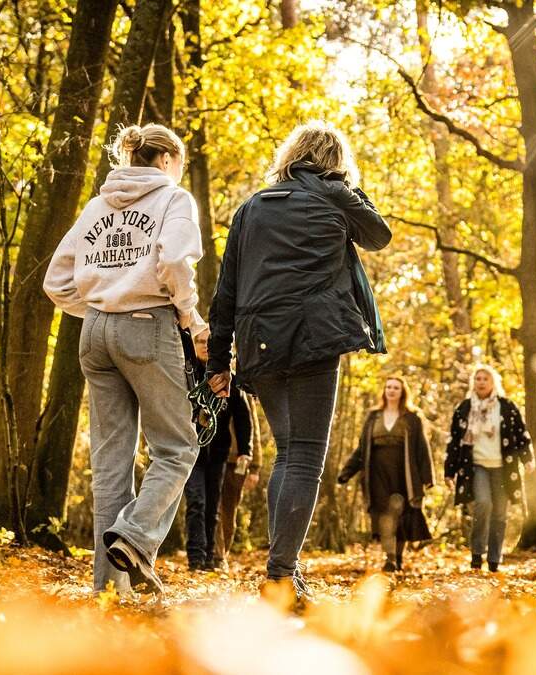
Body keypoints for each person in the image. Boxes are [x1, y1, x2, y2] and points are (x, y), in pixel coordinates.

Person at [206, 120, 392, 604]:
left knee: (289, 453)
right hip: (314, 337)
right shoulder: (337, 197)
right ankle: (281, 575)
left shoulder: (252, 208)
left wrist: (218, 360)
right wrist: (349, 187)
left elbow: (226, 290)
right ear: (336, 163)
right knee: (304, 456)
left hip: (258, 340)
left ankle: (284, 570)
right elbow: (379, 234)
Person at [43, 123, 207, 596]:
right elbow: (176, 262)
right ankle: (135, 538)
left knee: (111, 464)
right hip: (148, 325)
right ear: (168, 159)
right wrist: (190, 317)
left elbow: (56, 281)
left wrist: (100, 305)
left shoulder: (97, 205)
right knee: (178, 448)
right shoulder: (174, 199)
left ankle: (110, 591)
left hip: (94, 331)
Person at [443, 365, 534, 572]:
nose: (481, 382)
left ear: (493, 383)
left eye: (485, 379)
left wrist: (527, 459)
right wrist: (449, 472)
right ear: (473, 384)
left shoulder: (507, 407)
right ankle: (476, 555)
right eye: (478, 379)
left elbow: (522, 435)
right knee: (483, 504)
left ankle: (494, 561)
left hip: (503, 467)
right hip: (477, 467)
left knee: (500, 513)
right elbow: (454, 442)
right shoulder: (465, 409)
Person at [337, 376, 433, 572]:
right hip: (377, 474)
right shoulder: (373, 417)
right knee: (383, 515)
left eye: (396, 388)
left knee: (403, 515)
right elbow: (362, 449)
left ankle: (398, 557)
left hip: (403, 473)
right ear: (384, 391)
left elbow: (422, 449)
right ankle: (390, 558)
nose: (391, 390)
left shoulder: (412, 418)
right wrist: (347, 472)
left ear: (402, 392)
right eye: (388, 387)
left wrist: (427, 478)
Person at [182, 337, 253, 571]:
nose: (205, 345)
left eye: (210, 342)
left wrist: (245, 450)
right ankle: (195, 558)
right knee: (196, 502)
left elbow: (243, 417)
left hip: (218, 453)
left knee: (213, 507)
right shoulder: (186, 373)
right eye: (200, 340)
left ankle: (209, 558)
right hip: (191, 452)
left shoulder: (226, 378)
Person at [212, 396, 261, 570]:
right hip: (213, 456)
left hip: (237, 462)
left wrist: (255, 468)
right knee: (213, 508)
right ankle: (216, 556)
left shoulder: (241, 392)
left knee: (229, 514)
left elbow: (252, 427)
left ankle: (222, 554)